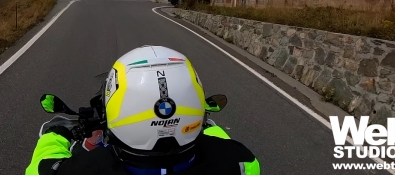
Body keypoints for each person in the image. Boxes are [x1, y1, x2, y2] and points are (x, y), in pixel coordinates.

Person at [25, 45, 261, 174]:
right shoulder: (242, 162)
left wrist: (55, 133)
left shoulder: (85, 169)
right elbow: (217, 139)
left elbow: (40, 167)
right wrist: (203, 125)